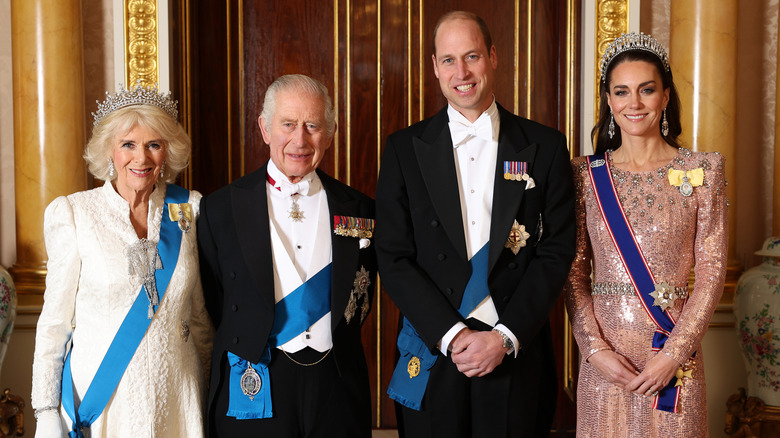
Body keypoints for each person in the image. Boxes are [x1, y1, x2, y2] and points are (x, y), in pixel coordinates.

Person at [375, 11, 576, 438]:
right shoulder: (403, 149)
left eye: (471, 56)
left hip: (514, 349)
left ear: (493, 57)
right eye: (448, 60)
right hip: (435, 347)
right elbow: (392, 256)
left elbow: (556, 250)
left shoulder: (545, 145)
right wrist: (451, 335)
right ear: (434, 67)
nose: (461, 72)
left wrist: (504, 336)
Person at [565, 32, 727, 437]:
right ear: (608, 101)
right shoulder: (584, 175)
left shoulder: (704, 170)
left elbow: (711, 273)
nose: (633, 103)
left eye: (646, 90)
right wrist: (593, 348)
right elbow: (573, 273)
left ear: (666, 96)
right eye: (621, 92)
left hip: (673, 355)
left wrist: (674, 355)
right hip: (606, 362)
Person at [198, 74, 376, 437]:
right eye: (288, 124)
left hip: (336, 384)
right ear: (265, 128)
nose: (300, 139)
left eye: (312, 126)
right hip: (256, 376)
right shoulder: (220, 209)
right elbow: (213, 301)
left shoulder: (361, 208)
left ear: (330, 132)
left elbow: (362, 295)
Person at [31, 83, 213, 437]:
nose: (141, 158)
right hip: (103, 402)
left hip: (178, 396)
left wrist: (210, 395)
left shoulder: (188, 209)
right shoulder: (75, 213)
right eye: (128, 144)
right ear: (109, 151)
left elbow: (199, 317)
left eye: (153, 145)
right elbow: (55, 323)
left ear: (167, 152)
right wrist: (45, 410)